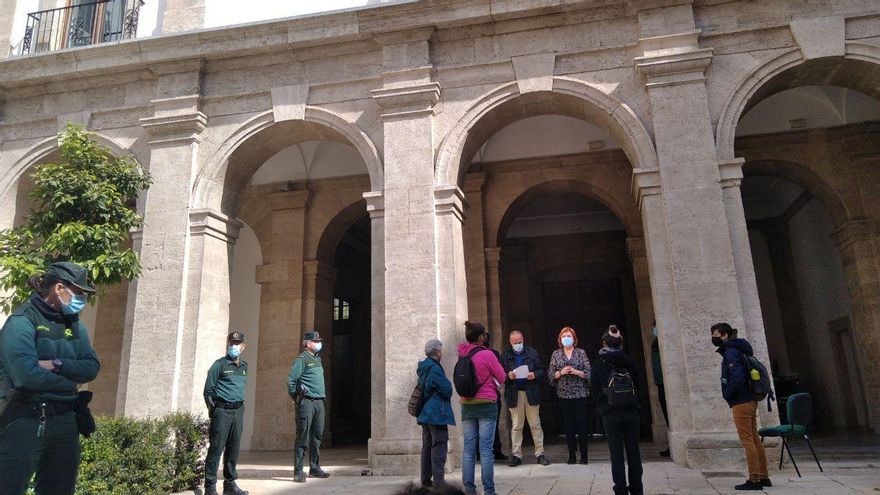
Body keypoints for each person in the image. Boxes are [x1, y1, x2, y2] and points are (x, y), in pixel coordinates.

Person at [0, 262, 100, 495]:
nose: (82, 299)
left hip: (65, 420)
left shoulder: (75, 325)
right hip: (24, 419)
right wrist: (71, 384)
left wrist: (57, 364)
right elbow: (26, 376)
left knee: (60, 488)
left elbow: (92, 367)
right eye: (79, 292)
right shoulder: (22, 321)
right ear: (59, 288)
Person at [711, 322, 771, 491]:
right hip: (750, 399)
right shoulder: (739, 349)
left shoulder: (731, 353)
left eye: (715, 333)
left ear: (724, 335)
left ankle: (754, 479)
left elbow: (736, 378)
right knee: (754, 438)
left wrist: (728, 394)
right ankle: (763, 476)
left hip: (741, 401)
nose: (713, 337)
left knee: (747, 440)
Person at [591, 325, 643, 495]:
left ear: (604, 343)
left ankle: (620, 489)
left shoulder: (599, 363)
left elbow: (594, 389)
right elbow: (638, 384)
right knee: (634, 452)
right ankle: (636, 489)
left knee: (616, 453)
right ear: (621, 342)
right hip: (631, 411)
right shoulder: (629, 360)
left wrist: (603, 407)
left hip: (610, 412)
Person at [458, 321, 506, 495]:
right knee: (486, 450)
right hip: (486, 404)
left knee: (469, 450)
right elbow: (502, 376)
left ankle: (469, 490)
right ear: (481, 337)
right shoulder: (487, 355)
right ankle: (489, 490)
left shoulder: (462, 354)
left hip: (467, 404)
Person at [203, 331, 250, 495]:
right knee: (216, 449)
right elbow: (208, 391)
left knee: (233, 448)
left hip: (238, 410)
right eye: (231, 343)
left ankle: (230, 484)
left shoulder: (244, 367)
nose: (233, 346)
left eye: (237, 343)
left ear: (243, 347)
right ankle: (210, 486)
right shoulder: (219, 365)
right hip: (222, 411)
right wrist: (214, 411)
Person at [287, 330, 331, 484]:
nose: (319, 343)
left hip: (319, 401)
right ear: (307, 343)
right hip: (307, 402)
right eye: (316, 341)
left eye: (319, 340)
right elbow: (291, 382)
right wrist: (297, 398)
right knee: (303, 436)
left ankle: (314, 467)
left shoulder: (317, 359)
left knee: (317, 436)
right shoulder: (302, 359)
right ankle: (298, 472)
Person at [500, 330, 549, 467]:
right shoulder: (505, 356)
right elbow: (499, 374)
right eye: (515, 342)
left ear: (523, 339)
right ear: (510, 342)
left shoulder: (532, 353)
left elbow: (541, 370)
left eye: (519, 342)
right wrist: (508, 375)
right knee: (516, 426)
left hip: (531, 392)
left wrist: (534, 374)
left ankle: (540, 454)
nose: (518, 344)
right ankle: (516, 455)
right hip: (514, 394)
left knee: (535, 424)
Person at [547, 326, 590, 464]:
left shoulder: (581, 353)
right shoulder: (556, 354)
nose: (567, 338)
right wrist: (561, 372)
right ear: (560, 339)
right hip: (564, 394)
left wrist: (577, 372)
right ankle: (571, 454)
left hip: (580, 393)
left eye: (569, 336)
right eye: (564, 336)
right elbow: (551, 374)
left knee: (582, 424)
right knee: (568, 425)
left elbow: (589, 372)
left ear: (574, 338)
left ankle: (584, 455)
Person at [416, 339, 455, 488]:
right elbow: (446, 389)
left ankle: (426, 480)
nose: (442, 353)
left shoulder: (424, 367)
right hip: (436, 414)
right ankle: (439, 482)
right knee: (439, 445)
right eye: (441, 350)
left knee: (426, 447)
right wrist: (448, 385)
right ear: (437, 352)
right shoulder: (435, 368)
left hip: (425, 413)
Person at [649, 321, 670, 457]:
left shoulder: (663, 342)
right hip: (660, 383)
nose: (654, 329)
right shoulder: (656, 343)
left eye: (656, 326)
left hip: (665, 383)